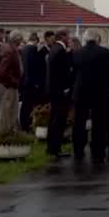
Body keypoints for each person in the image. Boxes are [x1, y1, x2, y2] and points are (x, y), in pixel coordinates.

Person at [72, 30, 109, 162]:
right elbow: (108, 74)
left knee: (79, 122)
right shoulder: (104, 52)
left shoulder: (77, 52)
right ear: (97, 39)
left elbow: (74, 73)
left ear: (85, 39)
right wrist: (106, 90)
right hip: (99, 92)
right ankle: (98, 151)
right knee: (99, 122)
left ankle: (78, 150)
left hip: (81, 92)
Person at [45, 28, 73, 157]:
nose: (69, 38)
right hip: (60, 91)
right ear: (62, 36)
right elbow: (63, 72)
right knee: (59, 119)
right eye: (68, 36)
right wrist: (66, 88)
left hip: (53, 89)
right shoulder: (60, 50)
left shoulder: (54, 48)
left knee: (53, 118)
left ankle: (51, 146)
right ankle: (55, 148)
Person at [0, 31, 24, 132]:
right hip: (7, 85)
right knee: (6, 110)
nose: (21, 42)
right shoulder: (9, 50)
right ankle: (4, 133)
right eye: (20, 39)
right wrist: (13, 81)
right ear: (16, 39)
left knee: (10, 109)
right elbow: (3, 71)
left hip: (9, 84)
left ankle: (8, 131)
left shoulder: (10, 48)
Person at [18, 32, 45, 131]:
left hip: (24, 81)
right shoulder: (33, 49)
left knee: (25, 104)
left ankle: (23, 123)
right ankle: (27, 124)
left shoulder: (24, 49)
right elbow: (34, 66)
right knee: (29, 105)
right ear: (35, 41)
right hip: (31, 82)